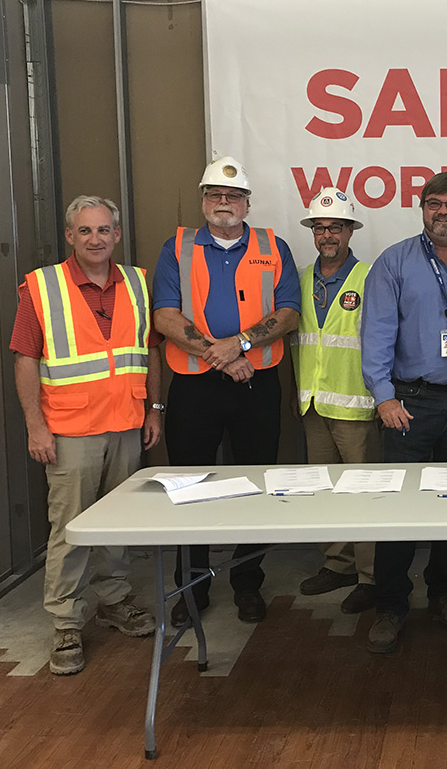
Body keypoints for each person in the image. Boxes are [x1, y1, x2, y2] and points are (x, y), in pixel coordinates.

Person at [11, 195, 162, 676]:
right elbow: (25, 360)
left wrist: (153, 409)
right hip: (69, 429)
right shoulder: (42, 287)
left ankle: (114, 600)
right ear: (70, 236)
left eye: (104, 230)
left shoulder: (137, 282)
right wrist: (36, 426)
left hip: (126, 424)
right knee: (72, 528)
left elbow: (150, 352)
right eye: (85, 231)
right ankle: (66, 623)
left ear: (117, 234)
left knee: (116, 524)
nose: (95, 239)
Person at [152, 157, 301, 627]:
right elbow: (165, 316)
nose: (224, 202)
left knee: (256, 486)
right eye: (215, 194)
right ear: (202, 200)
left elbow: (289, 313)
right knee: (190, 488)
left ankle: (246, 581)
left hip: (256, 386)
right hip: (194, 387)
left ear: (247, 203)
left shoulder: (272, 246)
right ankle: (191, 587)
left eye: (233, 196)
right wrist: (223, 356)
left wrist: (239, 345)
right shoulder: (177, 247)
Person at [360, 172, 447, 653]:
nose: (443, 212)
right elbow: (376, 333)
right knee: (397, 509)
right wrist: (383, 397)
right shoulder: (394, 261)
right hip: (409, 404)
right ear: (422, 208)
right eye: (434, 204)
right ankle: (391, 605)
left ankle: (445, 593)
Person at [290, 187, 380, 614]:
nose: (328, 234)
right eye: (320, 227)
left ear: (349, 231)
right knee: (324, 488)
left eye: (336, 227)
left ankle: (370, 575)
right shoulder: (301, 278)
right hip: (313, 404)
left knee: (364, 492)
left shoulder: (370, 278)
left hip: (357, 404)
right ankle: (338, 562)